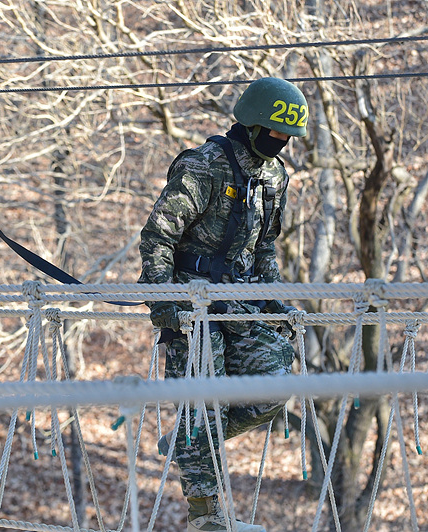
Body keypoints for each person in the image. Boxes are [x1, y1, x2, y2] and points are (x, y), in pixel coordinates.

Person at [138, 77, 307, 532]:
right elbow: (159, 236)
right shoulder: (203, 166)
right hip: (192, 301)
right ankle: (207, 514)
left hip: (240, 297)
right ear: (251, 125)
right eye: (276, 133)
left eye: (288, 136)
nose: (284, 143)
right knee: (203, 404)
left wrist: (277, 304)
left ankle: (188, 440)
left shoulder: (273, 177)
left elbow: (266, 249)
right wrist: (163, 299)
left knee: (273, 382)